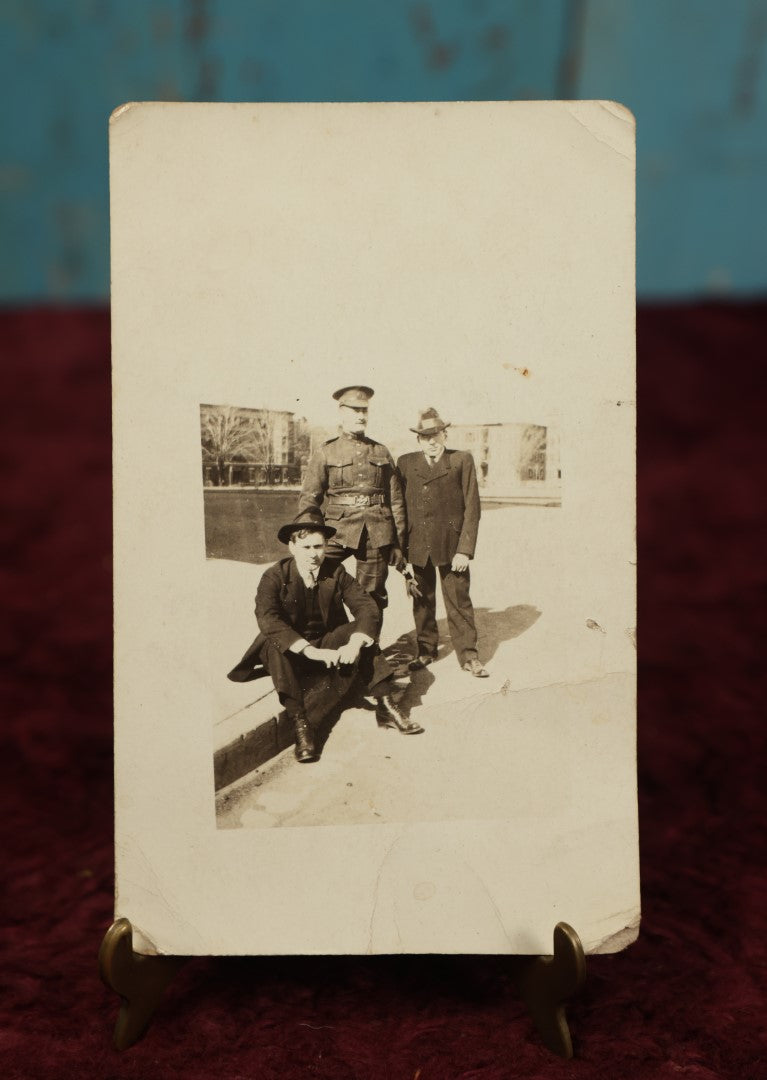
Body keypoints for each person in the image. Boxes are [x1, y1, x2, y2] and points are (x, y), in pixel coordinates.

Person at [227, 508, 423, 763]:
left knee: (361, 632)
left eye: (319, 547)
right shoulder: (274, 576)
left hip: (328, 645)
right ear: (292, 547)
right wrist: (311, 651)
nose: (314, 555)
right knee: (271, 641)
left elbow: (366, 606)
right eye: (306, 547)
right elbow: (268, 618)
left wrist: (354, 643)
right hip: (293, 654)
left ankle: (385, 705)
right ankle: (302, 724)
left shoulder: (335, 571)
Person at [397, 408, 489, 677]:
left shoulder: (461, 460)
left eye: (436, 435)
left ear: (445, 434)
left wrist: (465, 550)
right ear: (418, 440)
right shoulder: (405, 463)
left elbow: (473, 508)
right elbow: (398, 506)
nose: (431, 442)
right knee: (422, 601)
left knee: (458, 600)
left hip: (452, 547)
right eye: (425, 437)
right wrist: (401, 551)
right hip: (418, 544)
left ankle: (469, 655)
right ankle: (425, 650)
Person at [298, 385, 406, 613]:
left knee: (372, 593)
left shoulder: (381, 451)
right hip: (337, 529)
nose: (361, 416)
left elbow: (395, 500)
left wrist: (398, 543)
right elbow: (310, 497)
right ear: (342, 412)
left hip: (377, 531)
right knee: (317, 578)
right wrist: (308, 535)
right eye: (355, 410)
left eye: (364, 411)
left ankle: (369, 646)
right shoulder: (326, 451)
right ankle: (327, 636)